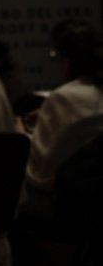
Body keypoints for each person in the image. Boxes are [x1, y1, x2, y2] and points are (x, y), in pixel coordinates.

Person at [21, 20, 103, 213]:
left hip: (66, 206)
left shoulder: (64, 97)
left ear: (66, 60)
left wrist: (21, 134)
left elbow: (41, 172)